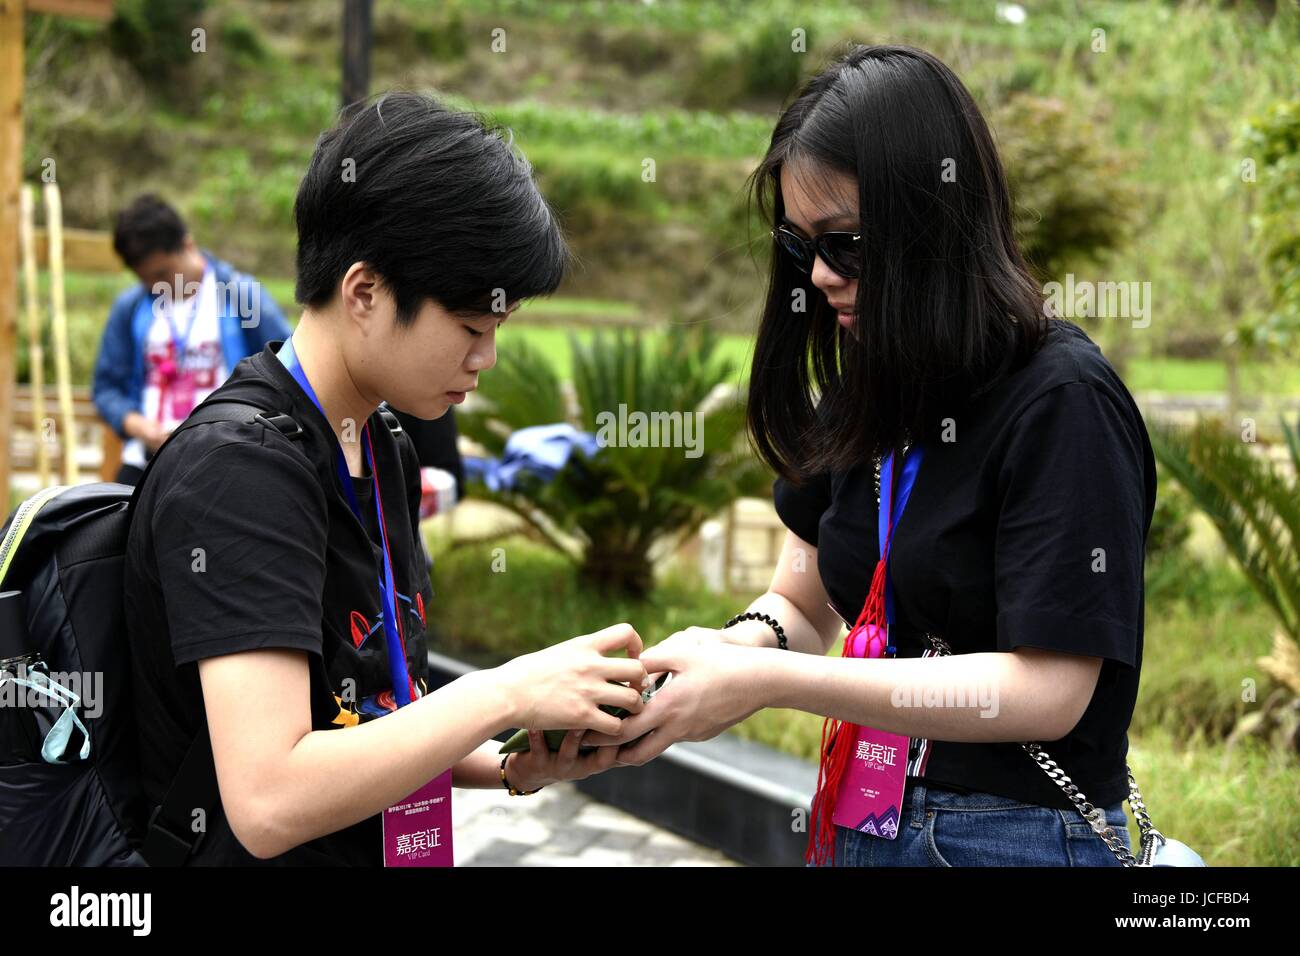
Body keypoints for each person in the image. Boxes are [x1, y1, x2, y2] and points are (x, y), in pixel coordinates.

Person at [586, 45, 1155, 868]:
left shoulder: (1063, 400)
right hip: (864, 819)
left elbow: (1048, 692)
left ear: (936, 219)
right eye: (799, 246)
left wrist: (769, 686)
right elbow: (805, 599)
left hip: (1012, 840)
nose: (818, 276)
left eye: (844, 243)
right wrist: (723, 652)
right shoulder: (866, 379)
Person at [124, 91, 645, 865]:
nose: (486, 358)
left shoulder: (381, 440)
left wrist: (510, 763)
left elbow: (373, 713)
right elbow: (269, 798)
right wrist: (505, 691)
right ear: (365, 293)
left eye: (497, 330)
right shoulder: (239, 471)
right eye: (471, 327)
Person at [92, 195, 293, 485]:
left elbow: (287, 367)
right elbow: (106, 388)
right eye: (144, 278)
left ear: (187, 245)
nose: (154, 285)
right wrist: (139, 427)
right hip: (148, 462)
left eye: (162, 273)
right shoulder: (131, 308)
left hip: (229, 456)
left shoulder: (240, 296)